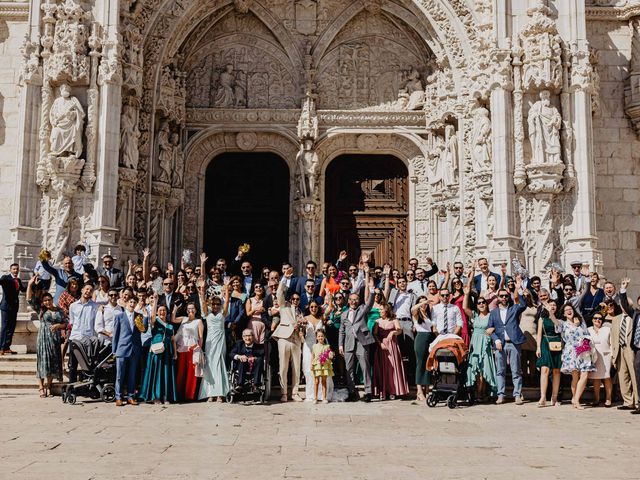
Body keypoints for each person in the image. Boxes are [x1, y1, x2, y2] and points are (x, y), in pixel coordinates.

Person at [486, 278, 528, 405]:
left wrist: (518, 289)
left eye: (506, 296)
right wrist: (496, 340)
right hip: (500, 344)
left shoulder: (514, 309)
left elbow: (523, 305)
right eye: (501, 296)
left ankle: (517, 395)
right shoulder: (493, 313)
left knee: (516, 370)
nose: (504, 298)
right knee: (500, 371)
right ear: (497, 297)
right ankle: (501, 394)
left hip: (513, 343)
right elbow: (489, 329)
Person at [339, 287, 376, 402]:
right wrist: (340, 345)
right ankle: (351, 392)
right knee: (348, 369)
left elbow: (369, 304)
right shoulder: (344, 314)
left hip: (362, 342)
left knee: (365, 367)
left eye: (356, 299)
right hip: (348, 344)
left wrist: (372, 292)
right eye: (352, 300)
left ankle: (368, 392)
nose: (354, 302)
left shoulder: (362, 310)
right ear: (348, 301)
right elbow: (342, 330)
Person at [463, 282, 497, 401]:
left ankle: (481, 393)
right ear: (477, 305)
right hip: (475, 343)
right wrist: (466, 294)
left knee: (483, 368)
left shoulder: (491, 316)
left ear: (486, 304)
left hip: (485, 343)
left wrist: (493, 328)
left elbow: (497, 326)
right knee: (475, 368)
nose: (481, 304)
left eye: (483, 303)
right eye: (479, 303)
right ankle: (477, 391)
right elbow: (464, 308)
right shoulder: (475, 315)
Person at [271, 273, 304, 402]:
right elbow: (279, 293)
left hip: (296, 340)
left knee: (296, 368)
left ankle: (295, 393)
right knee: (283, 367)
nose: (295, 301)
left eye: (297, 299)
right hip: (284, 338)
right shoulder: (284, 308)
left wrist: (301, 327)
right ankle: (284, 393)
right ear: (290, 300)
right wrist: (284, 278)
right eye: (294, 299)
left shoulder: (301, 312)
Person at [139, 295, 177, 404]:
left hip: (167, 352)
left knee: (165, 374)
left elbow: (173, 340)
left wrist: (175, 353)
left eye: (164, 310)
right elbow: (152, 316)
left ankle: (165, 396)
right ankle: (156, 397)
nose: (162, 312)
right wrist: (155, 301)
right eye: (160, 310)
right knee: (156, 374)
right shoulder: (155, 321)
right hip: (156, 351)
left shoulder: (170, 326)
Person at [556, 303, 595, 409]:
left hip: (583, 350)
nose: (569, 311)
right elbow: (554, 320)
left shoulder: (580, 321)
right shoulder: (563, 323)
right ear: (564, 314)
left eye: (571, 309)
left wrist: (585, 342)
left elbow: (587, 334)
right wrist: (550, 310)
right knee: (575, 377)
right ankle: (575, 399)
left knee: (585, 374)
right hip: (571, 352)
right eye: (566, 310)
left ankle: (576, 399)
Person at [112, 295, 148, 406]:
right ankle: (118, 396)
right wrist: (114, 350)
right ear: (126, 303)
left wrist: (146, 317)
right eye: (130, 302)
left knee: (132, 374)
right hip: (122, 348)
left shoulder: (139, 316)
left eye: (134, 302)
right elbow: (116, 335)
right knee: (120, 375)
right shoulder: (119, 316)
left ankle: (131, 396)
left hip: (135, 348)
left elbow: (144, 330)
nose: (132, 304)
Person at [198, 280, 230, 403]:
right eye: (214, 304)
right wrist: (202, 289)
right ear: (211, 304)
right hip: (210, 341)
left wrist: (226, 286)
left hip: (220, 340)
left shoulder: (223, 313)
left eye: (217, 304)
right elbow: (202, 301)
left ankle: (220, 394)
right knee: (210, 365)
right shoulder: (207, 313)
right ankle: (210, 394)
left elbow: (226, 300)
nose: (216, 306)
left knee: (219, 364)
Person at [373, 303, 409, 400]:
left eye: (381, 309)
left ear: (387, 310)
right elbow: (375, 334)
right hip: (382, 346)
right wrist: (380, 344)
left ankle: (393, 391)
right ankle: (383, 392)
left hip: (392, 346)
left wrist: (393, 332)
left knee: (392, 368)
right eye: (379, 310)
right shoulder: (377, 321)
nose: (379, 311)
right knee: (382, 369)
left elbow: (399, 330)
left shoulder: (394, 320)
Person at [67, 283, 100, 383]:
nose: (88, 291)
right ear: (82, 290)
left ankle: (86, 387)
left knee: (87, 365)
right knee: (73, 365)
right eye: (86, 289)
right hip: (75, 337)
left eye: (90, 290)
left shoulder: (95, 306)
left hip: (88, 339)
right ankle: (71, 388)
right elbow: (72, 322)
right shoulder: (73, 306)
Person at [35, 292, 66, 397]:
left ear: (52, 299)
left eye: (49, 299)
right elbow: (30, 300)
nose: (47, 302)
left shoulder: (59, 311)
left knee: (53, 362)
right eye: (45, 300)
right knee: (42, 363)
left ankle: (48, 386)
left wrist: (59, 325)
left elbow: (66, 324)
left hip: (55, 340)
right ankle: (41, 387)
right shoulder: (41, 311)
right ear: (43, 302)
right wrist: (30, 285)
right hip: (43, 339)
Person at [173, 302, 204, 402]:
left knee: (191, 372)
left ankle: (190, 395)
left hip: (193, 347)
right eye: (189, 309)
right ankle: (179, 394)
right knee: (181, 371)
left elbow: (201, 337)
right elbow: (173, 319)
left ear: (195, 310)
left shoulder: (199, 321)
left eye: (192, 308)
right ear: (186, 310)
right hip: (182, 347)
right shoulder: (183, 319)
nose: (191, 310)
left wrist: (199, 349)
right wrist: (175, 310)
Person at [535, 299, 562, 407]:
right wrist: (538, 347)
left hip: (557, 343)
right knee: (544, 369)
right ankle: (543, 397)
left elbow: (558, 327)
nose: (552, 306)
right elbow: (539, 334)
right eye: (550, 305)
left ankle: (554, 397)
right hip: (545, 343)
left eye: (554, 305)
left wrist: (551, 313)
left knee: (556, 371)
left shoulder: (559, 319)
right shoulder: (542, 318)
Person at [619, 277, 640, 414]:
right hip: (639, 349)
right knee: (638, 375)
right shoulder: (636, 314)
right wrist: (623, 289)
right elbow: (625, 306)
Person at [302, 300, 330, 401]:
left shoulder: (321, 318)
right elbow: (301, 332)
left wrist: (329, 298)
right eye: (311, 307)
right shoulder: (305, 318)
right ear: (309, 308)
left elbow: (330, 309)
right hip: (308, 346)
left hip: (321, 346)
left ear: (318, 308)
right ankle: (312, 394)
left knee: (321, 369)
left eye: (315, 307)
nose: (313, 309)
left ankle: (323, 395)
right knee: (309, 370)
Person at [0, 263, 27, 355]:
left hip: (14, 307)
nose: (16, 271)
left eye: (17, 269)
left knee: (11, 327)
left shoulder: (18, 280)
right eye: (14, 269)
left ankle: (7, 347)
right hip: (6, 307)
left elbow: (23, 289)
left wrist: (32, 284)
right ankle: (1, 348)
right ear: (10, 270)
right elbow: (1, 281)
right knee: (4, 327)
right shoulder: (5, 278)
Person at [588, 312, 612, 407]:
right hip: (594, 357)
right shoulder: (588, 330)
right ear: (592, 319)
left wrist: (613, 356)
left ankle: (608, 399)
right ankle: (596, 399)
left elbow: (611, 343)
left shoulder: (607, 329)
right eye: (595, 318)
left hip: (606, 355)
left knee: (607, 377)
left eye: (600, 318)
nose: (597, 320)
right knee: (596, 378)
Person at [411, 296, 432, 401]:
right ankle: (419, 391)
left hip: (429, 338)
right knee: (420, 364)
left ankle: (427, 390)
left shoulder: (428, 314)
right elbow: (412, 309)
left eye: (425, 302)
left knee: (428, 364)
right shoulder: (416, 314)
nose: (424, 304)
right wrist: (422, 303)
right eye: (421, 302)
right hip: (421, 338)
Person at [311, 329, 334, 404]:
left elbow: (330, 355)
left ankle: (324, 397)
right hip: (317, 365)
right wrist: (311, 364)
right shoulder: (314, 346)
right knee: (316, 382)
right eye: (319, 336)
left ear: (324, 337)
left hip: (324, 365)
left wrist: (331, 355)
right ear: (316, 338)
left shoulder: (327, 346)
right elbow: (312, 356)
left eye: (322, 336)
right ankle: (315, 398)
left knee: (324, 381)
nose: (320, 338)